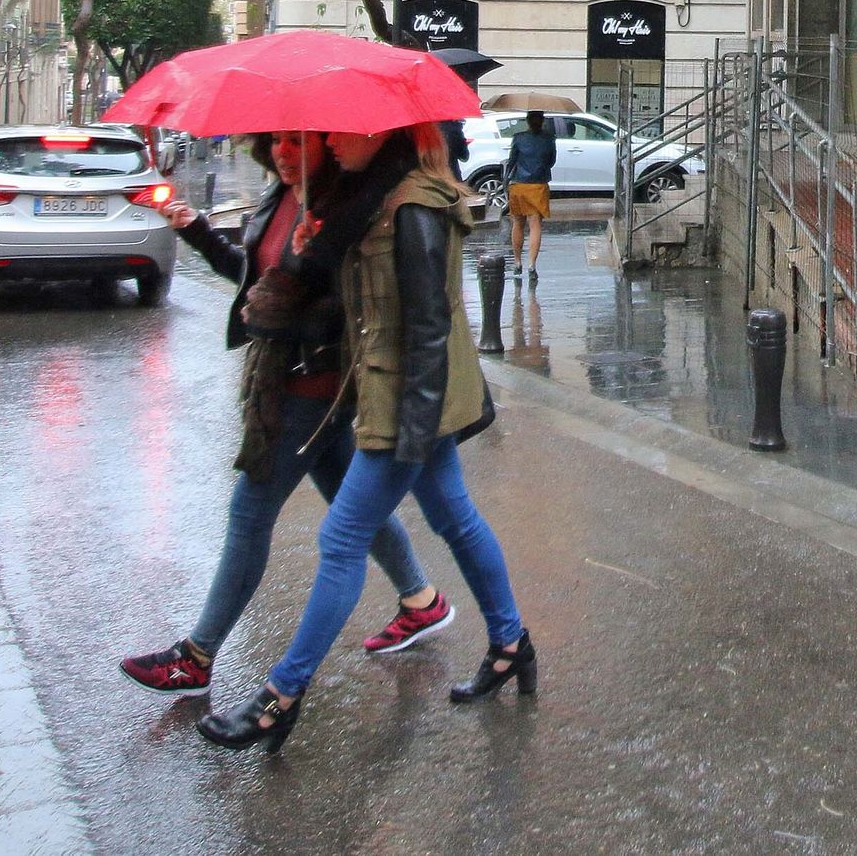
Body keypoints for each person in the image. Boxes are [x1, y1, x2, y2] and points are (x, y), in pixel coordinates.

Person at [197, 123, 534, 754]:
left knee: (342, 537)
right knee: (454, 519)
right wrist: (307, 251)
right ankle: (511, 643)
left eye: (342, 133)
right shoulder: (368, 200)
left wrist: (412, 433)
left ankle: (280, 698)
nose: (331, 142)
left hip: (408, 399)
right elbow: (354, 302)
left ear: (381, 133)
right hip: (394, 391)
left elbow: (429, 327)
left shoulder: (412, 206)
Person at [119, 130, 453, 699]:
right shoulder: (279, 197)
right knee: (351, 501)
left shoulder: (343, 207)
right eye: (273, 142)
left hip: (309, 383)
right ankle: (421, 599)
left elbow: (355, 298)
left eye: (296, 143)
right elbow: (254, 279)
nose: (282, 151)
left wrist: (314, 254)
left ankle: (196, 656)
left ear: (324, 144)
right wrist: (192, 226)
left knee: (250, 513)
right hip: (280, 375)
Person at [505, 111, 556, 282]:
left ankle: (517, 261)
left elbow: (512, 161)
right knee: (535, 226)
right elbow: (551, 161)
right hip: (538, 186)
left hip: (519, 184)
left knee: (518, 223)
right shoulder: (549, 139)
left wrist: (506, 181)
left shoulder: (518, 138)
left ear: (527, 121)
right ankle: (532, 265)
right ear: (542, 121)